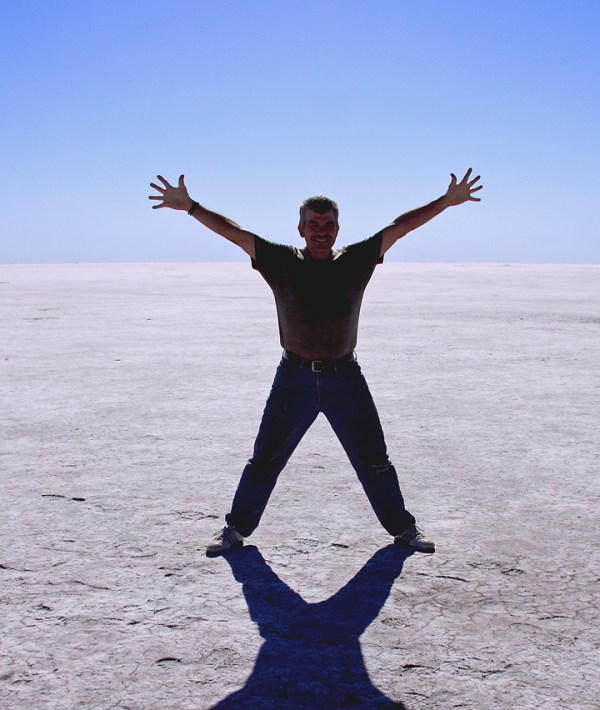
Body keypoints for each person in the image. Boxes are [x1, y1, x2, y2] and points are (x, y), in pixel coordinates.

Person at [149, 169, 482, 555]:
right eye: (313, 224)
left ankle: (403, 529)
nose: (320, 231)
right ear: (300, 229)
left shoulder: (357, 259)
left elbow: (400, 227)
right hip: (294, 378)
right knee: (264, 460)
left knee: (374, 461)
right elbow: (235, 234)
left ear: (338, 228)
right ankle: (235, 529)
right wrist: (190, 207)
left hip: (345, 378)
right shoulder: (280, 260)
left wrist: (445, 201)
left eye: (328, 224)